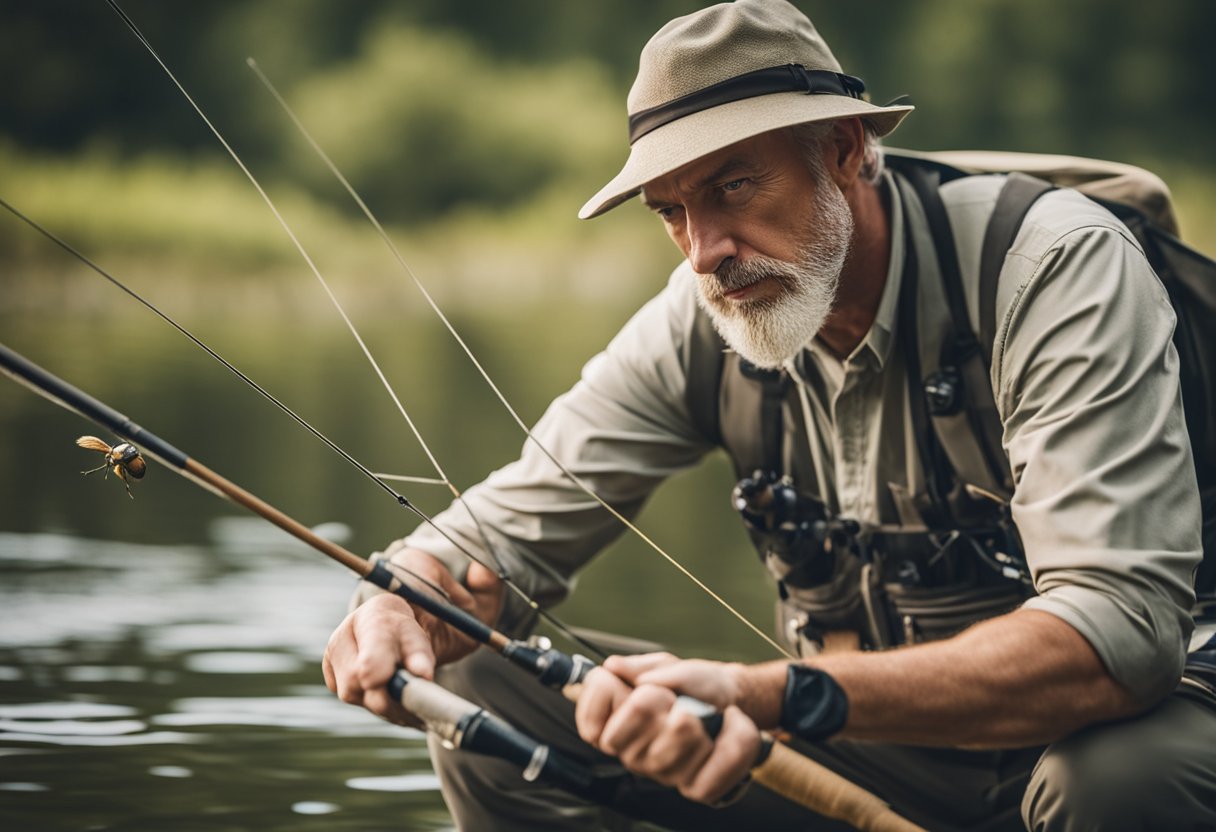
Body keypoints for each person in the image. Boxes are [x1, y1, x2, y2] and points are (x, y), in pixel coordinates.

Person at [323, 1, 1216, 829]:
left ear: (846, 148)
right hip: (869, 749)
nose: (704, 251)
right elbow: (504, 532)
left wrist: (774, 694)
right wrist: (404, 593)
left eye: (733, 187)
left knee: (1113, 783)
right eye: (670, 210)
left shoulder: (1053, 265)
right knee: (483, 676)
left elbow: (1119, 637)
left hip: (1141, 720)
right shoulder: (703, 313)